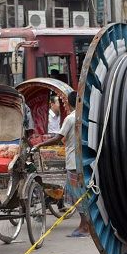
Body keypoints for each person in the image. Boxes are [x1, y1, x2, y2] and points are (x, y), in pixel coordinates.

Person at [31, 91, 90, 238]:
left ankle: (84, 226)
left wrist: (40, 145)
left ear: (68, 103)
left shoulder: (70, 118)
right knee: (82, 195)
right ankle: (85, 225)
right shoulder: (84, 116)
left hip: (73, 161)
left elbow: (58, 138)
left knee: (77, 196)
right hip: (84, 160)